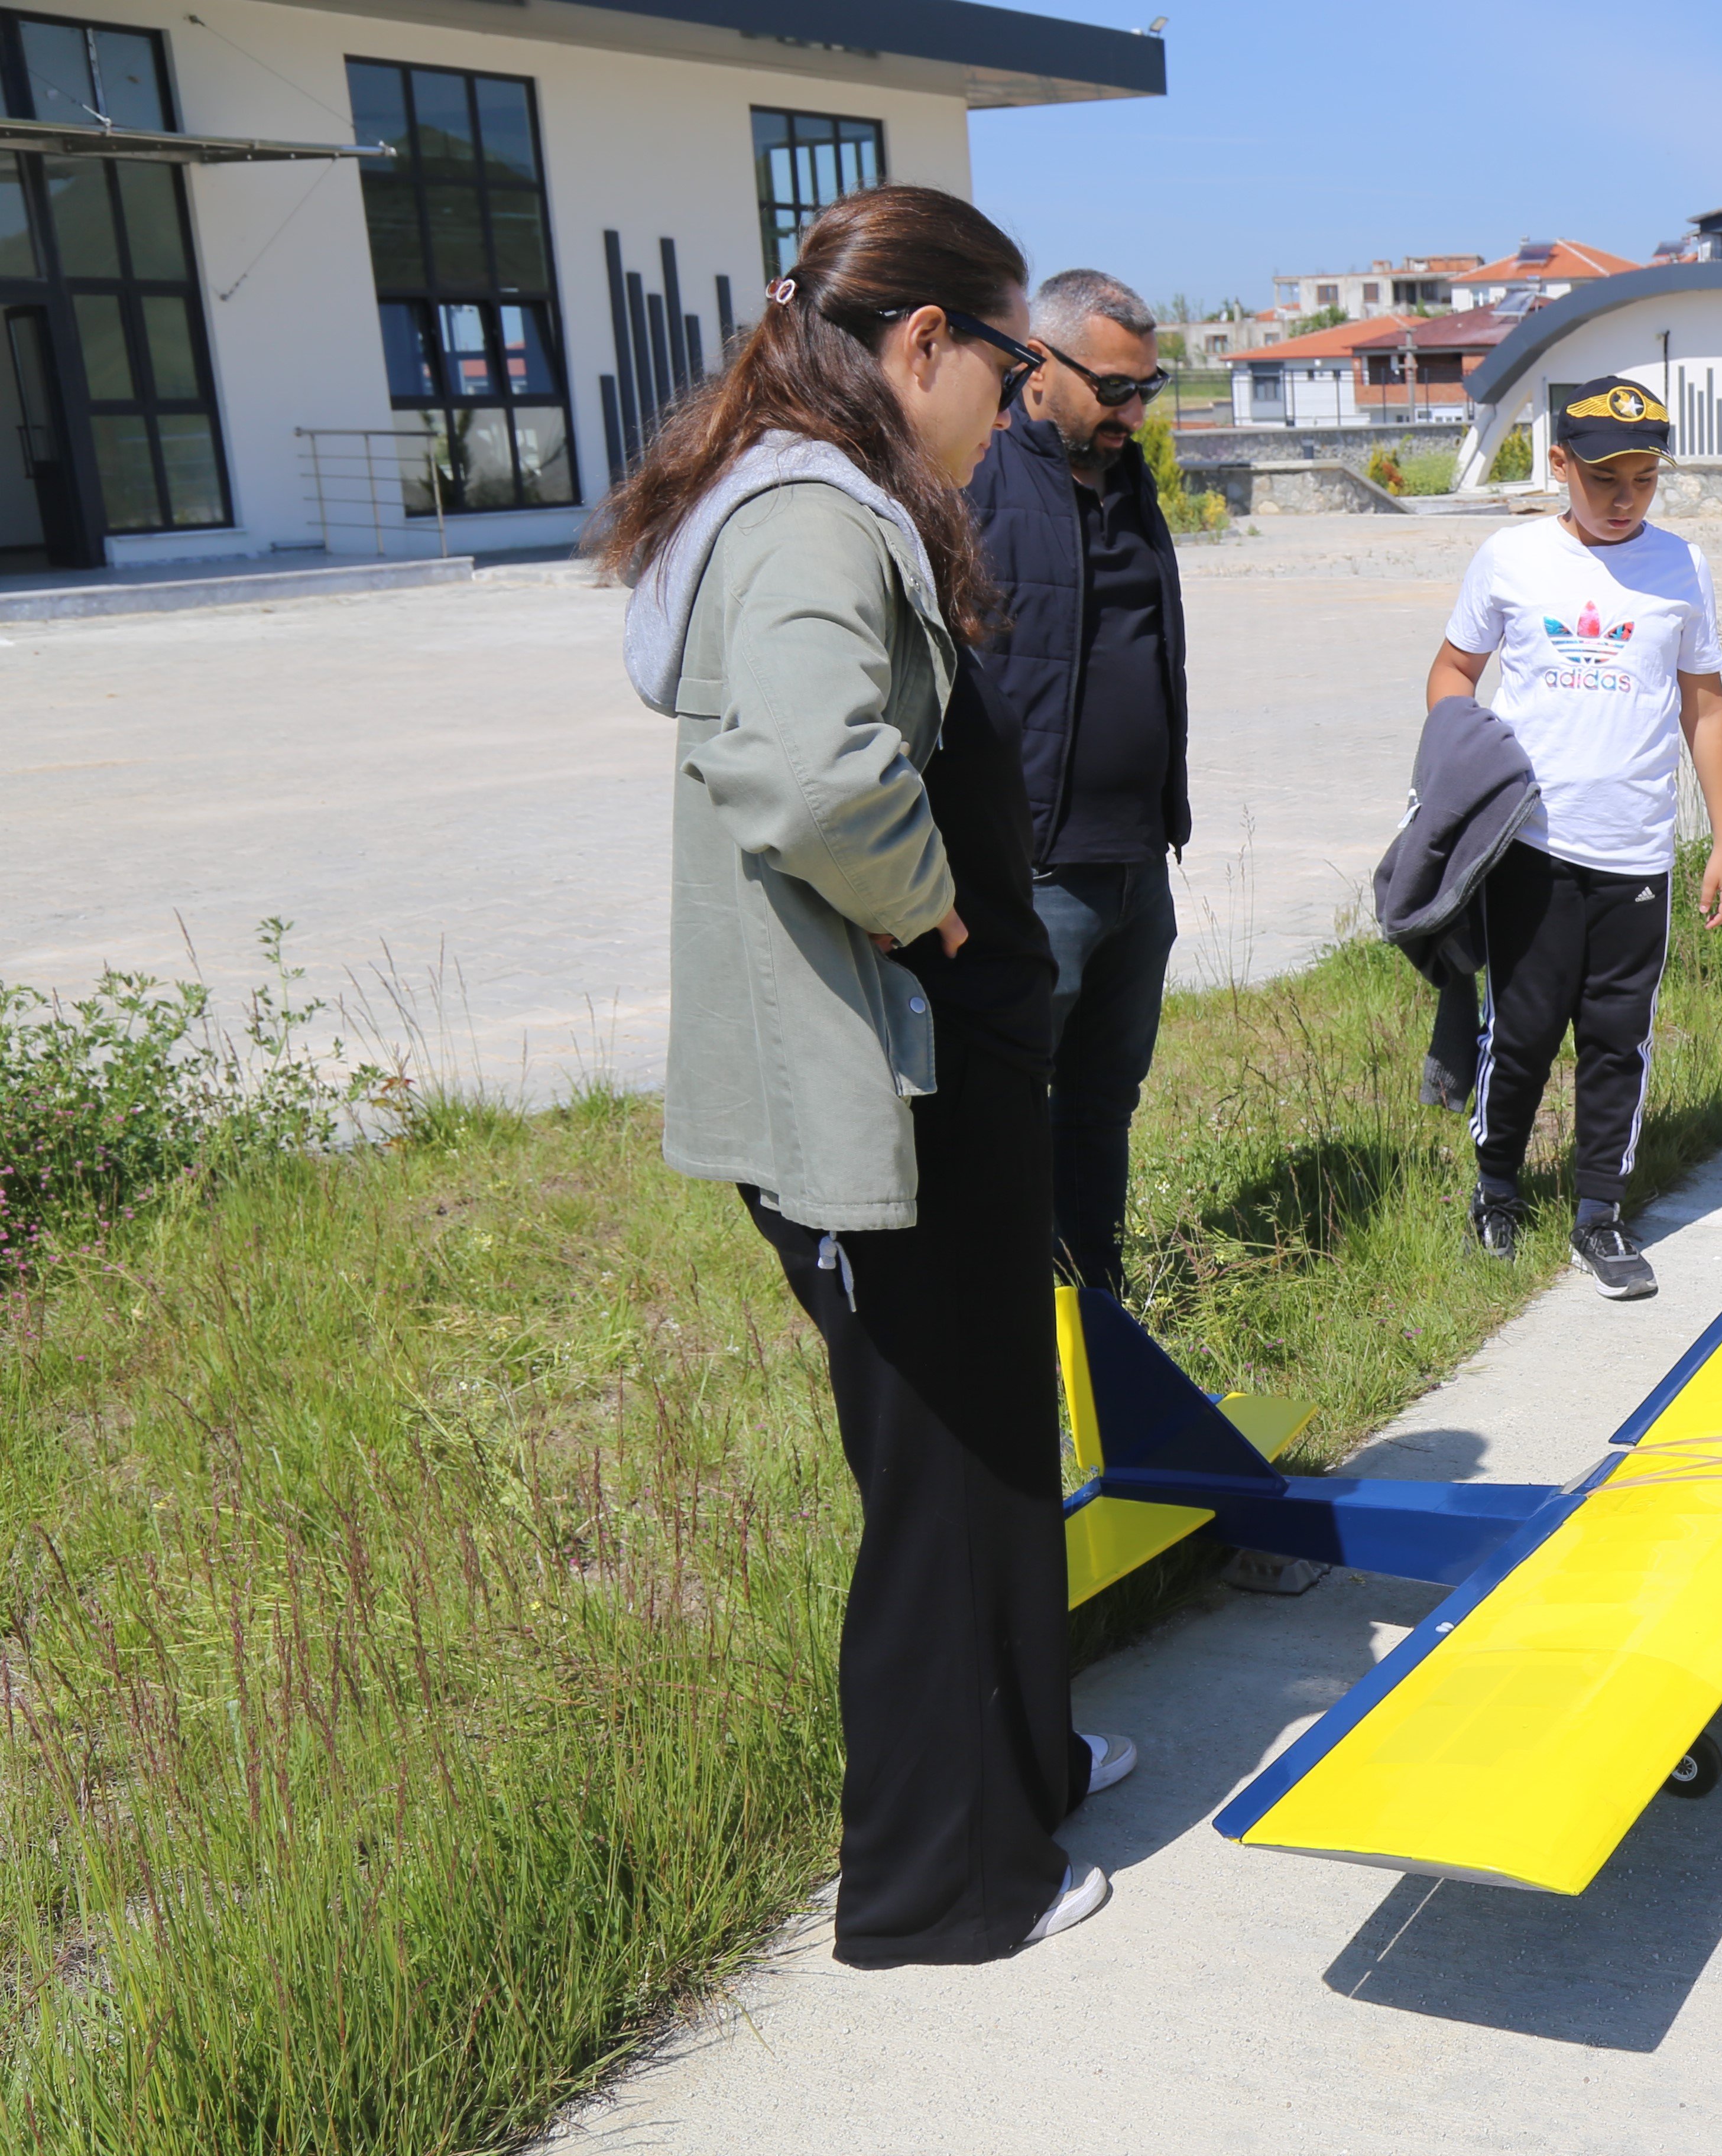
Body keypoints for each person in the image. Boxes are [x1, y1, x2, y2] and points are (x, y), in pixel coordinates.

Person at [601, 184, 1130, 1966]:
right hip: (878, 1087)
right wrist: (940, 918)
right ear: (925, 345)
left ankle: (1026, 1772)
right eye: (1009, 364)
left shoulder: (832, 496)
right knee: (931, 1476)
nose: (1012, 402)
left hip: (940, 1075)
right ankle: (940, 1889)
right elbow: (821, 780)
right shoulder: (811, 518)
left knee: (987, 1441)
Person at [1423, 376, 1722, 1300]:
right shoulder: (1510, 558)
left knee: (1617, 1040)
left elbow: (1705, 705)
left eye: (1644, 478)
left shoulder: (1682, 568)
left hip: (1638, 852)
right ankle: (1496, 1191)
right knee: (1520, 1032)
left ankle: (1600, 1213)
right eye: (1604, 477)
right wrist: (1460, 770)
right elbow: (1452, 672)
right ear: (1558, 464)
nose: (1624, 498)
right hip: (1530, 846)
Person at [963, 268, 1188, 1298]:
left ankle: (1094, 1305)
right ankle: (1007, 1319)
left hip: (1137, 865)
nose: (1133, 412)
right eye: (1113, 388)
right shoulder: (974, 478)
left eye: (1147, 388)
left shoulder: (1130, 479)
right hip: (1031, 875)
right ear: (1038, 366)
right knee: (1003, 1115)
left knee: (1103, 1104)